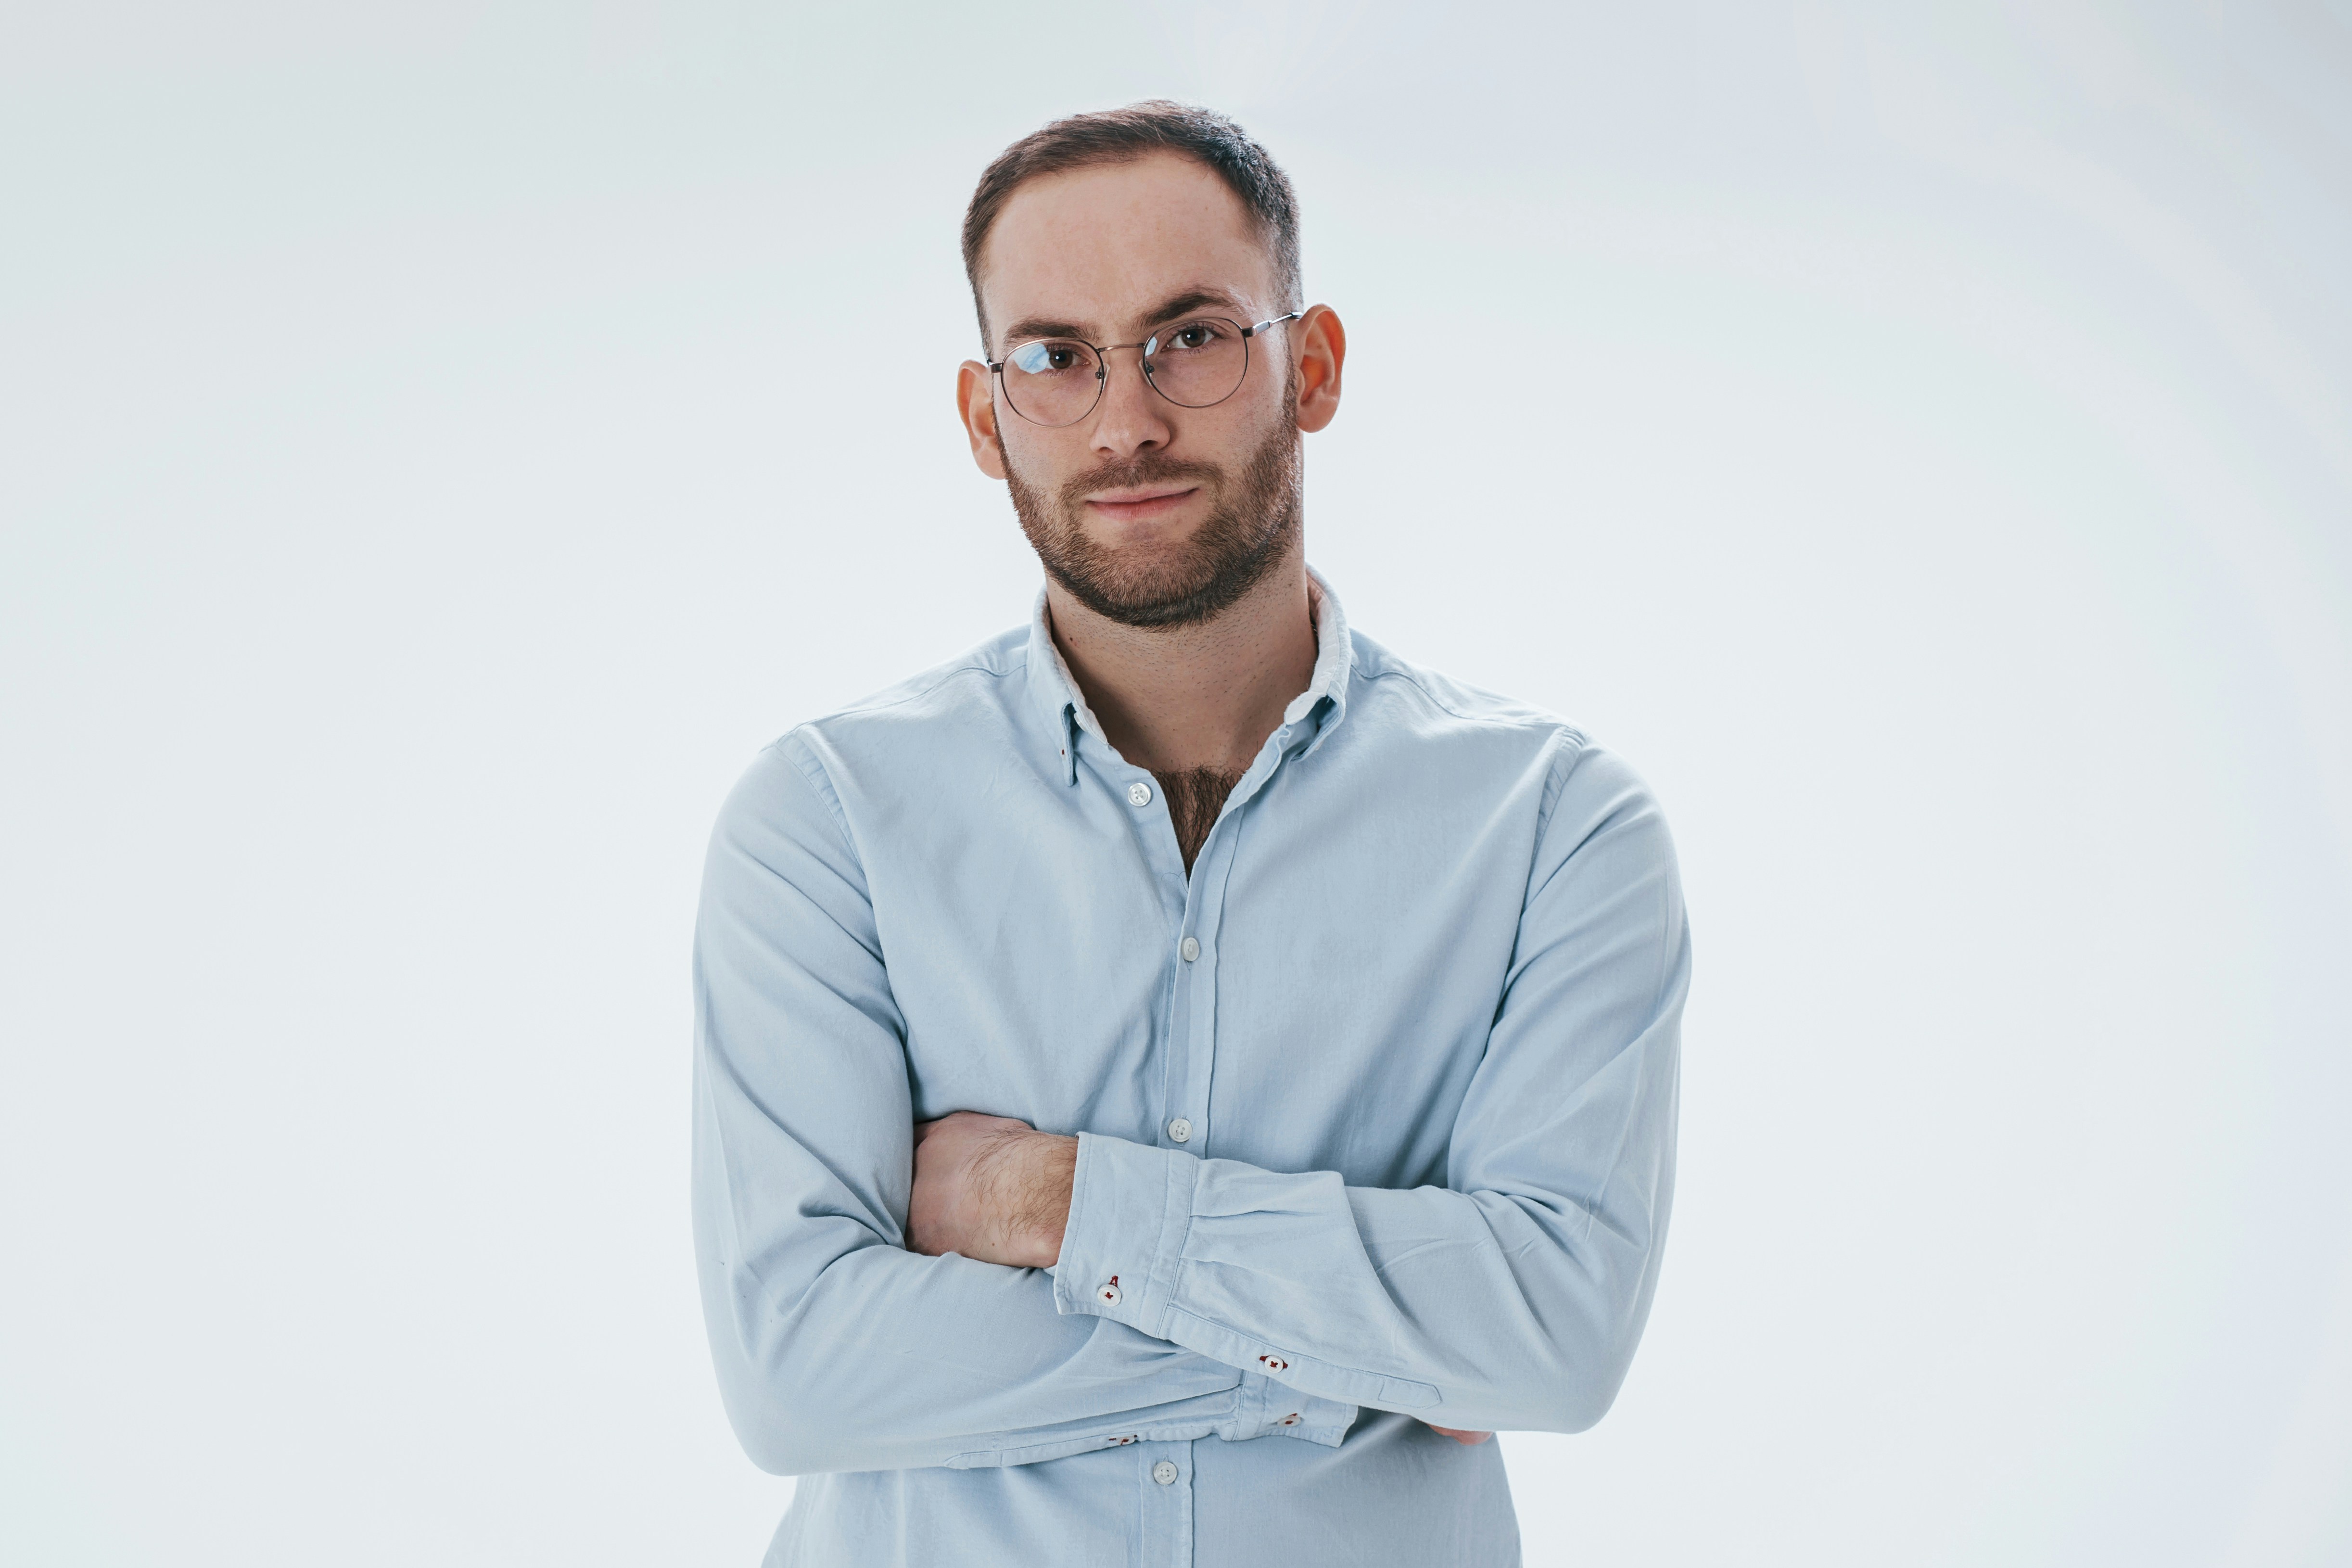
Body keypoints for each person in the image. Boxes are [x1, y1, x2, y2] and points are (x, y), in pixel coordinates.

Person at [690, 100, 1689, 1568]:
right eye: (1055, 357)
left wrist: (1044, 1197)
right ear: (985, 418)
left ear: (1316, 363)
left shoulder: (1550, 827)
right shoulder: (829, 817)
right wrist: (1372, 1348)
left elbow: (1551, 1337)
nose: (1125, 417)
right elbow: (800, 1375)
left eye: (1192, 336)